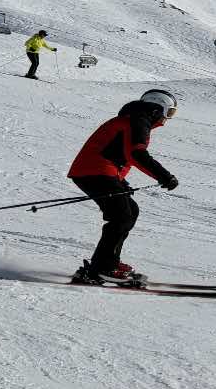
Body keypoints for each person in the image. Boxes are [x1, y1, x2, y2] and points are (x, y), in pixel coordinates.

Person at [66, 89, 181, 286]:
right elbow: (136, 154)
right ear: (157, 108)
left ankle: (107, 263)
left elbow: (119, 154)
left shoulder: (135, 119)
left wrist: (121, 182)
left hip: (100, 171)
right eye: (168, 112)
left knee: (130, 211)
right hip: (95, 171)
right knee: (121, 215)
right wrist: (164, 176)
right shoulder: (138, 121)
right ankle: (102, 268)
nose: (167, 118)